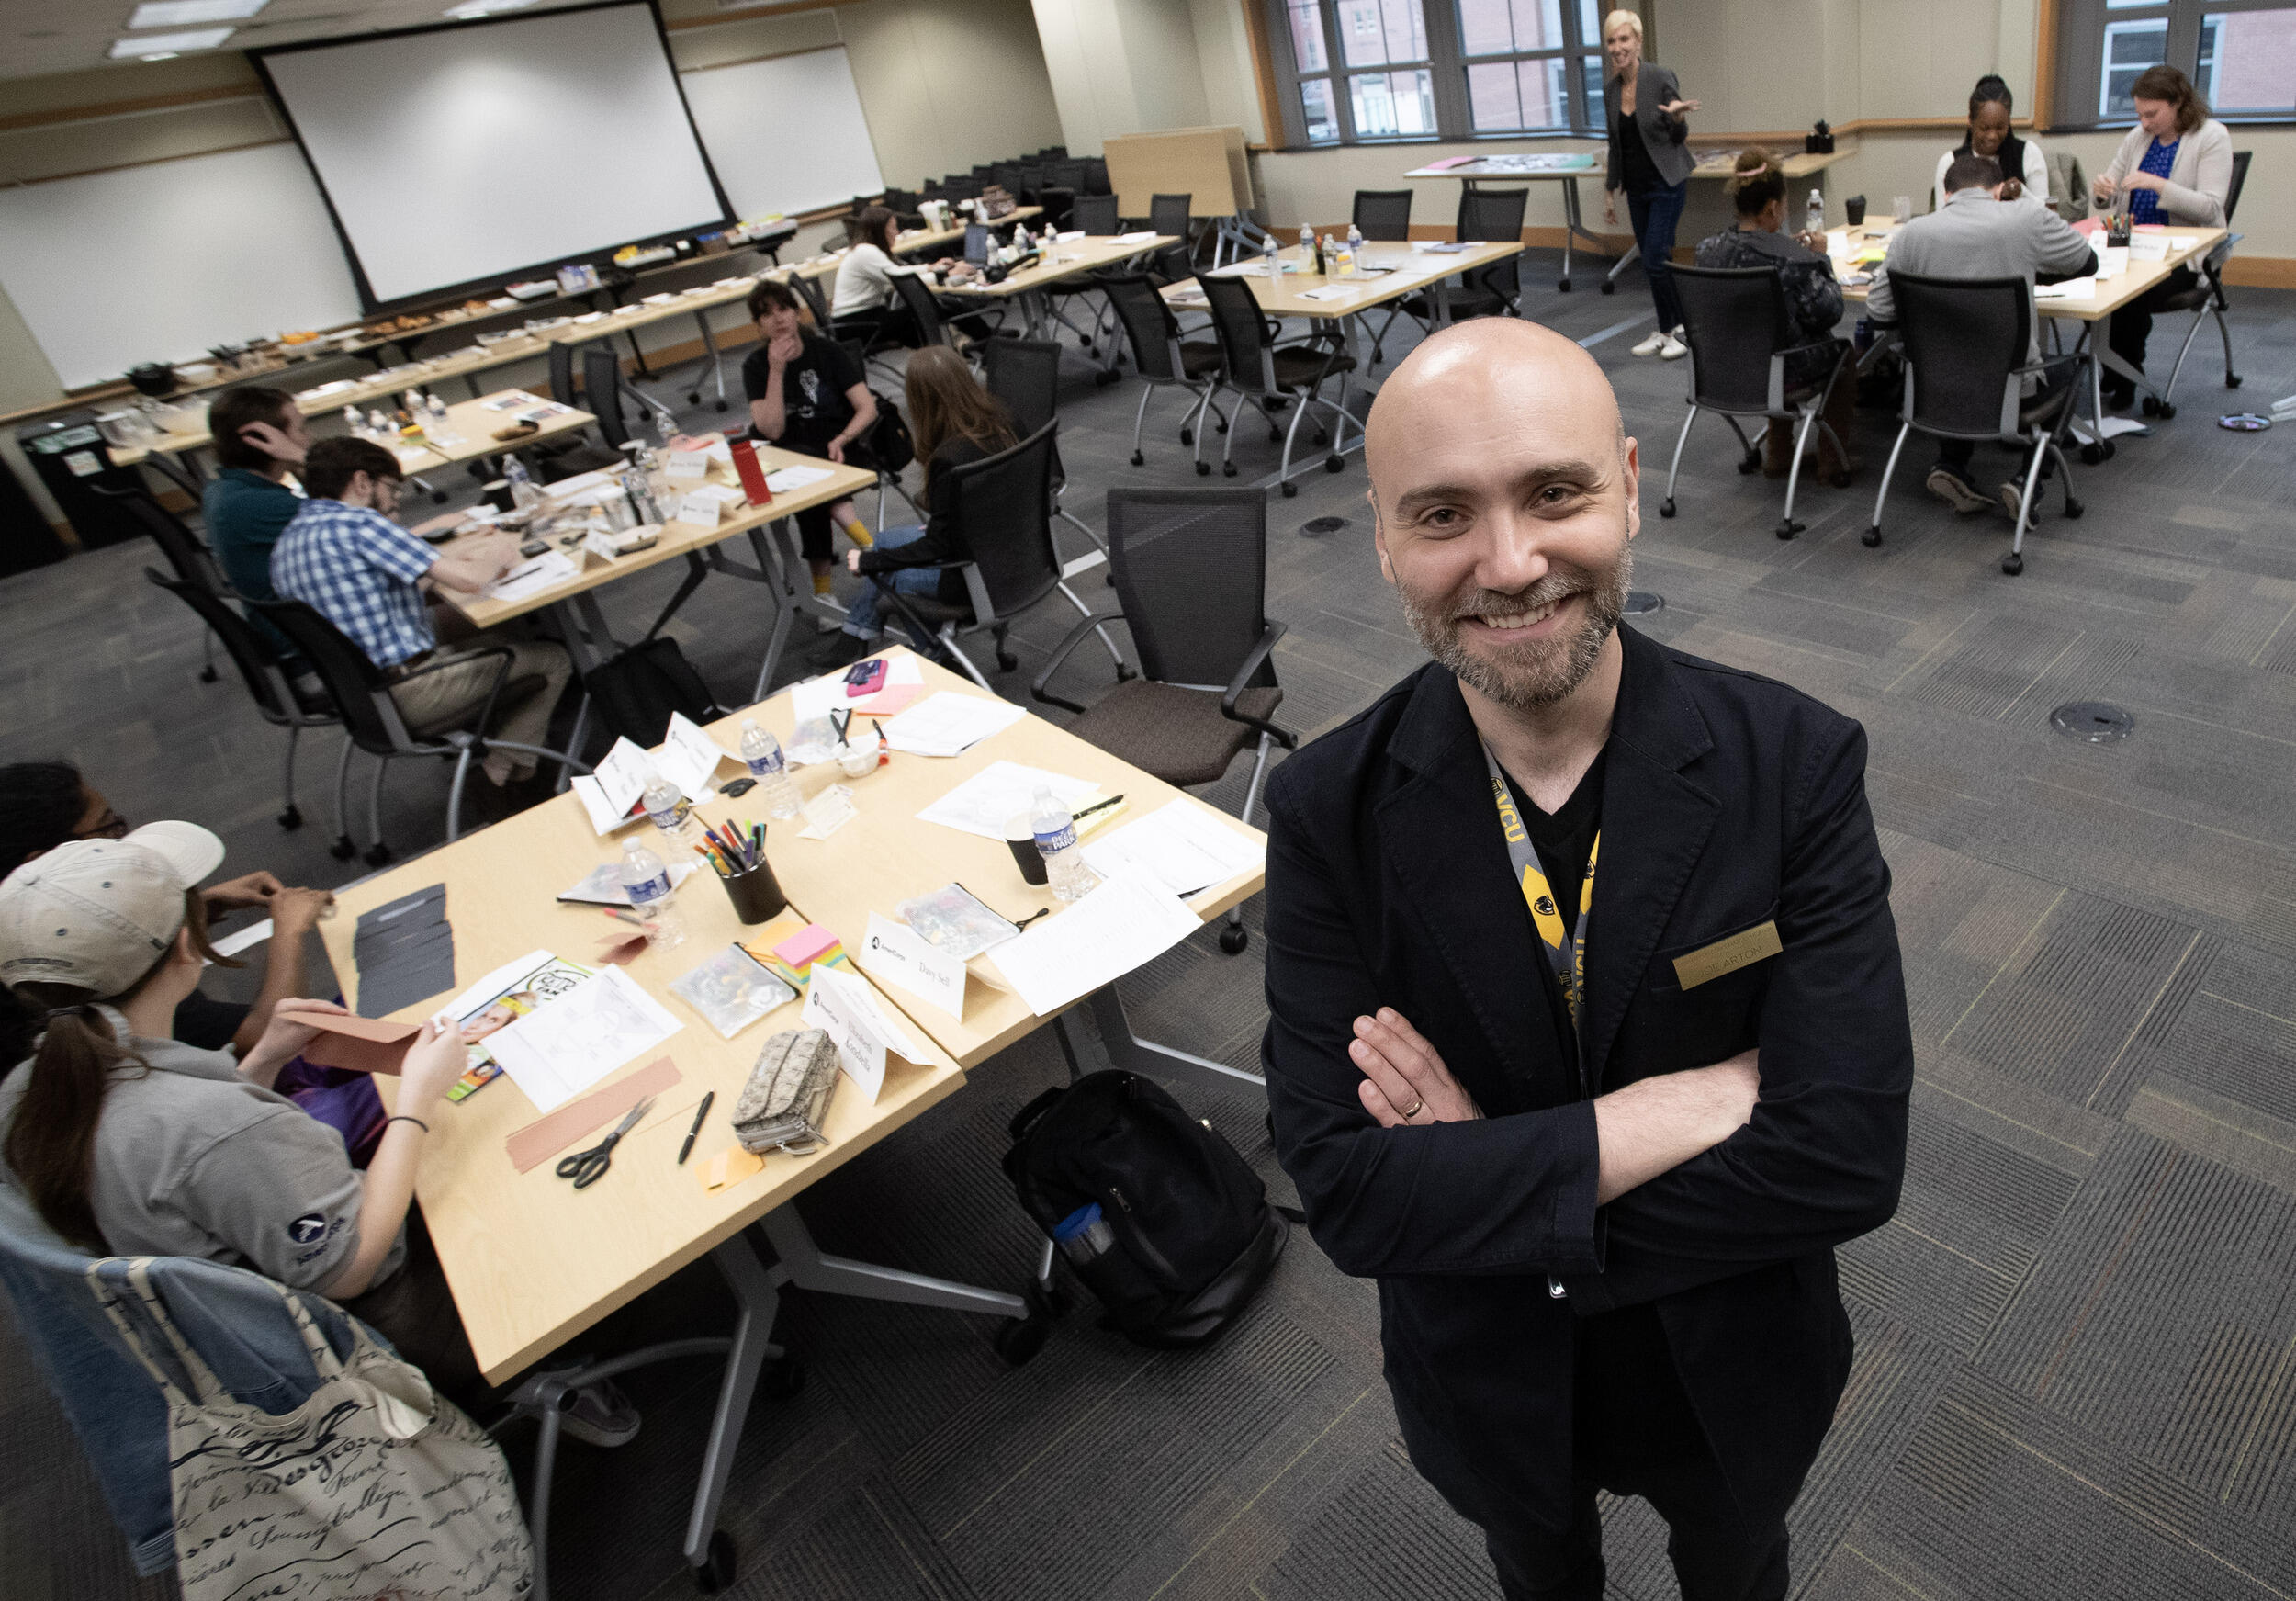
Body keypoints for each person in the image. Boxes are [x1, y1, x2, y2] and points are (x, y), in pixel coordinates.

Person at [1262, 317, 1911, 1601]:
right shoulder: (1326, 812)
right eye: (1442, 514)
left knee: (1738, 1565)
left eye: (1555, 493)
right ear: (1386, 539)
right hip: (1490, 1374)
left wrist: (1481, 1176)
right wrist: (1686, 1103)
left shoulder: (1796, 766)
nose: (1509, 563)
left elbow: (1842, 1157)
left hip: (1730, 1359)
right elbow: (1348, 1194)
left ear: (1627, 485)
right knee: (1539, 1571)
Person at [0, 828, 637, 1438]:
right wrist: (415, 1098)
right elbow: (351, 1266)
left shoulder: (31, 1089)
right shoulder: (213, 1127)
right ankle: (542, 1354)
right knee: (504, 1152)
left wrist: (265, 1059)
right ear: (189, 950)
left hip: (235, 1333)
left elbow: (185, 1160)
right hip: (376, 1328)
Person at [270, 437, 571, 792]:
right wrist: (498, 553)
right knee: (554, 659)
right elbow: (470, 581)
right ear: (362, 482)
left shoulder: (288, 542)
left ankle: (510, 755)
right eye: (392, 488)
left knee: (501, 639)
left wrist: (450, 566)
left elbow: (374, 595)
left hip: (361, 700)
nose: (396, 499)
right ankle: (500, 774)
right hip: (409, 690)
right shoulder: (360, 524)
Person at [0, 762, 332, 1062]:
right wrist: (289, 932)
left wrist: (199, 905)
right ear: (41, 859)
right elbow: (269, 1038)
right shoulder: (119, 981)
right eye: (109, 828)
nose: (124, 836)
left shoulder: (24, 954)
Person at [1866, 153, 2095, 521]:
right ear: (2001, 190)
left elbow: (1878, 312)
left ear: (1946, 193)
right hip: (2009, 394)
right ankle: (2027, 482)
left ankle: (1951, 464)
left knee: (1959, 352)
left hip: (1934, 391)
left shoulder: (1912, 234)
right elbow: (2086, 261)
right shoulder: (2024, 217)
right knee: (2074, 369)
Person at [820, 345, 1019, 669]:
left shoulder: (950, 458)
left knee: (893, 574)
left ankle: (939, 657)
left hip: (978, 573)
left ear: (921, 401)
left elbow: (938, 544)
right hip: (1017, 550)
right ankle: (856, 635)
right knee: (884, 539)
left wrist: (873, 561)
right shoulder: (1007, 422)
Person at [1694, 148, 1859, 479]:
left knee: (1773, 342)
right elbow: (1828, 313)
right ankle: (1833, 461)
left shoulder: (1705, 251)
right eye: (1783, 205)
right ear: (1772, 207)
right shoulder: (1791, 258)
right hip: (1780, 376)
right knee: (1843, 356)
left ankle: (1779, 455)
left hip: (1722, 374)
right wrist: (1820, 260)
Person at [2088, 64, 2234, 408]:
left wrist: (2159, 184)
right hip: (2131, 242)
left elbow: (2211, 208)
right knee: (2089, 279)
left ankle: (2124, 375)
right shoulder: (2138, 137)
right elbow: (2107, 196)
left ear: (2179, 102)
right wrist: (2101, 191)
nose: (2145, 123)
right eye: (2140, 114)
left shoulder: (2211, 136)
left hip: (2182, 253)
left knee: (2130, 294)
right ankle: (2114, 366)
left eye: (2152, 114)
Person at [742, 278, 881, 609]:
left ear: (796, 312)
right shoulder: (756, 366)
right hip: (788, 453)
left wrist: (844, 437)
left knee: (810, 489)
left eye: (784, 309)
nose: (778, 319)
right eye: (767, 315)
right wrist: (776, 371)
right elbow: (772, 430)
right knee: (808, 479)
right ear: (758, 326)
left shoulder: (826, 351)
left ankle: (823, 593)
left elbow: (867, 407)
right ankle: (871, 548)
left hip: (838, 444)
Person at [1601, 9, 1697, 361]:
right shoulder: (1611, 90)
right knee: (1651, 260)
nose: (1618, 47)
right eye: (1612, 40)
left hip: (1667, 181)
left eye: (1624, 39)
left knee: (1657, 257)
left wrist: (1677, 118)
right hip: (1637, 187)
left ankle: (1678, 329)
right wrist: (1610, 192)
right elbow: (1615, 143)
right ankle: (1668, 328)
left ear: (1638, 42)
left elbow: (1679, 135)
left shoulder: (1658, 77)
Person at [831, 205, 983, 349]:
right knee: (937, 309)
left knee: (938, 309)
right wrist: (944, 275)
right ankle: (979, 345)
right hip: (858, 326)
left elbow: (900, 271)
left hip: (859, 321)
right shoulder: (865, 252)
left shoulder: (864, 249)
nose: (897, 233)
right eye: (892, 227)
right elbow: (902, 280)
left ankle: (957, 350)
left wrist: (931, 267)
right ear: (880, 230)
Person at [1933, 75, 2048, 210]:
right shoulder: (1950, 162)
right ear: (1970, 121)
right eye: (1985, 128)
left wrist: (2021, 193)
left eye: (2000, 127)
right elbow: (1941, 218)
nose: (1993, 136)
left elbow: (2046, 214)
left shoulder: (2029, 153)